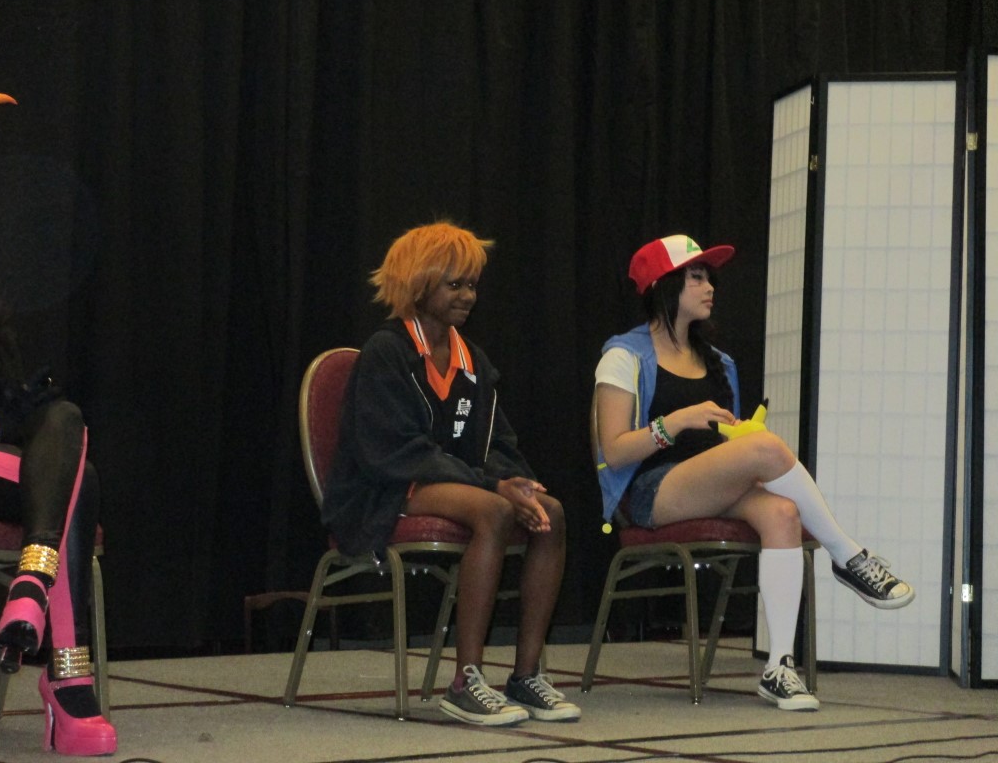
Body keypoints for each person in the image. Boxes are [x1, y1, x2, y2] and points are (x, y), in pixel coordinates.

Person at [594, 234, 915, 712]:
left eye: (709, 278)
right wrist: (676, 422)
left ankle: (779, 667)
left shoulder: (720, 363)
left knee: (783, 512)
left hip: (712, 484)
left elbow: (729, 448)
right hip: (649, 491)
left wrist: (743, 444)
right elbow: (615, 451)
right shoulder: (624, 356)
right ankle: (847, 555)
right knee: (765, 449)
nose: (710, 287)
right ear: (663, 286)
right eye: (696, 277)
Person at [321, 221, 580, 726]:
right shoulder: (387, 351)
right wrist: (493, 486)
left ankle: (526, 675)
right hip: (384, 489)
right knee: (494, 510)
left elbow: (497, 443)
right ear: (419, 285)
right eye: (454, 284)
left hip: (451, 483)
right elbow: (398, 452)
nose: (468, 295)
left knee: (550, 512)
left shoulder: (472, 360)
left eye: (472, 285)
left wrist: (518, 481)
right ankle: (465, 681)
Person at [0, 93, 117, 755]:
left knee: (65, 424)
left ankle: (32, 583)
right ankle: (67, 681)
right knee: (78, 485)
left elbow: (9, 411)